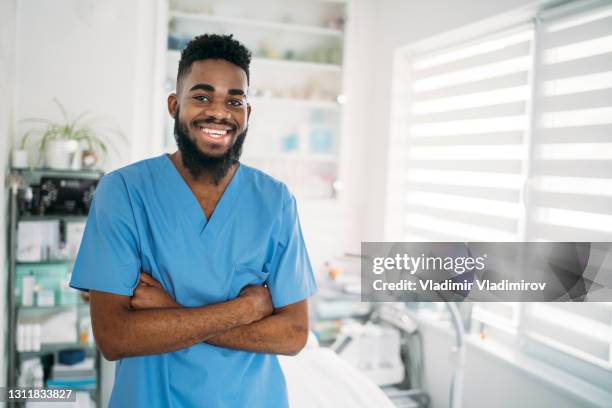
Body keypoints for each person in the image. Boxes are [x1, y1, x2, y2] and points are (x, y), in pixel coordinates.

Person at [70, 34, 317, 408]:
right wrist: (244, 310)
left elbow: (294, 334)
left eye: (234, 101)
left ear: (247, 113)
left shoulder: (275, 200)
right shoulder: (123, 191)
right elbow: (114, 337)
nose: (219, 112)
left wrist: (170, 312)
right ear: (174, 105)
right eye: (201, 97)